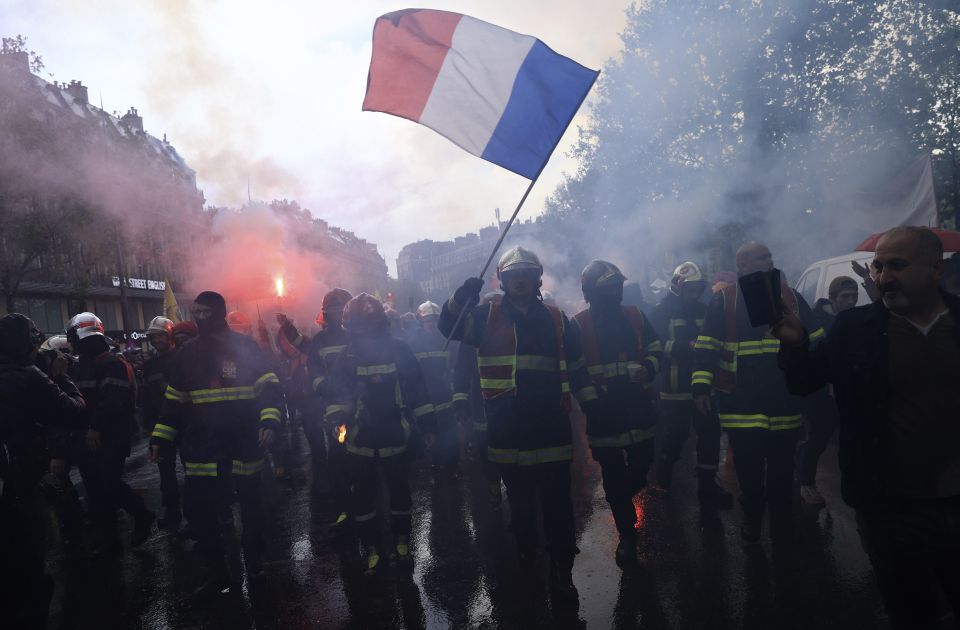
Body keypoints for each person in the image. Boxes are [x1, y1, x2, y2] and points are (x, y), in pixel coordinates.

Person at [773, 226, 960, 630]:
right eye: (878, 267)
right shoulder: (854, 328)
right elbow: (804, 381)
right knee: (911, 612)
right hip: (888, 506)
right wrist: (793, 343)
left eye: (898, 265)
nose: (883, 277)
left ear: (936, 269)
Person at [439, 246, 592, 603]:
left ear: (538, 278)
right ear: (503, 280)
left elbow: (579, 365)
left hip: (551, 426)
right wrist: (460, 298)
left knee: (558, 506)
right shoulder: (483, 316)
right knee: (521, 506)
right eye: (512, 275)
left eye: (526, 273)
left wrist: (594, 405)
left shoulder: (558, 319)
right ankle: (526, 549)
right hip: (508, 430)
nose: (519, 279)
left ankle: (562, 569)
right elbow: (448, 327)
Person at [150, 291, 281, 598]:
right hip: (203, 451)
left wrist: (270, 421)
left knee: (252, 513)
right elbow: (173, 403)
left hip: (243, 444)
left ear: (220, 313)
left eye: (206, 312)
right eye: (197, 312)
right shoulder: (186, 354)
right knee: (202, 517)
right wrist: (160, 438)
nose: (201, 317)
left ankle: (256, 566)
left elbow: (269, 388)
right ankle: (218, 574)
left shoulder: (245, 348)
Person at [692, 243, 824, 544]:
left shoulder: (789, 296)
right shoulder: (725, 299)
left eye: (769, 257)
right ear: (743, 264)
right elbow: (706, 347)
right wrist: (701, 387)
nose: (769, 261)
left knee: (780, 476)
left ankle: (782, 530)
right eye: (761, 258)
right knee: (750, 475)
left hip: (785, 403)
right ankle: (752, 518)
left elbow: (816, 340)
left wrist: (816, 384)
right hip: (742, 403)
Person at [324, 293, 437, 574]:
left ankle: (401, 544)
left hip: (394, 437)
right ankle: (372, 550)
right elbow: (337, 394)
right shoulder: (346, 356)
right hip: (360, 441)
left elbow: (417, 390)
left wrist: (428, 426)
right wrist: (337, 422)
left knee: (400, 496)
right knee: (363, 499)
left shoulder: (399, 351)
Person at [571, 260, 663, 568]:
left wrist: (649, 366)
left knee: (642, 463)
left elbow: (655, 348)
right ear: (591, 293)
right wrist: (590, 402)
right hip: (603, 412)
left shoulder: (635, 316)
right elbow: (574, 368)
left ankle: (622, 497)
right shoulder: (578, 325)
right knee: (612, 474)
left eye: (617, 288)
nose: (615, 293)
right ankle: (627, 536)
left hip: (638, 406)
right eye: (608, 289)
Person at [0, 313, 86, 628]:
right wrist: (62, 376)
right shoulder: (29, 376)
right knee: (27, 570)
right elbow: (75, 413)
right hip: (20, 487)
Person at [67, 311, 155, 554]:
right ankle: (108, 539)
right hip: (89, 436)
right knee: (95, 488)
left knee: (107, 483)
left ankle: (141, 514)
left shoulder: (111, 363)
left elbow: (112, 401)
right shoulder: (83, 364)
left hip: (111, 435)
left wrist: (95, 427)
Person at [650, 262, 732, 505]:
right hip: (675, 389)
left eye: (698, 288)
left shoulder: (706, 310)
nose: (694, 293)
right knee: (676, 435)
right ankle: (665, 466)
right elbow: (655, 347)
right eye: (690, 288)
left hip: (704, 387)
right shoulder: (661, 312)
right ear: (677, 286)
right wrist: (686, 347)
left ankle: (708, 485)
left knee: (709, 434)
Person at [278, 287, 353, 526]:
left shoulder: (359, 336)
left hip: (362, 407)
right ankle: (343, 509)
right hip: (334, 409)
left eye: (340, 311)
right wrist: (288, 328)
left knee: (364, 459)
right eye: (333, 312)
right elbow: (305, 349)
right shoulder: (320, 340)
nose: (336, 315)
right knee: (339, 458)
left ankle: (369, 507)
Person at [797, 276, 857, 506]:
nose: (851, 301)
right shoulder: (816, 321)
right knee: (819, 438)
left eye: (854, 296)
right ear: (832, 298)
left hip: (848, 390)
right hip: (821, 393)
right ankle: (806, 483)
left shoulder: (853, 318)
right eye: (845, 297)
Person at [453, 291, 503, 508]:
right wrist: (461, 402)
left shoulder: (514, 331)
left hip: (509, 405)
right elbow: (462, 372)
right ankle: (493, 486)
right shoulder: (471, 339)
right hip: (481, 405)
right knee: (485, 450)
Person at [410, 300, 460, 481]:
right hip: (426, 399)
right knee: (432, 435)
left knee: (450, 435)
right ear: (420, 322)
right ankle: (436, 466)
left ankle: (453, 467)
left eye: (433, 320)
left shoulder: (448, 342)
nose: (430, 324)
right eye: (426, 320)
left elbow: (455, 368)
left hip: (445, 395)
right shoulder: (414, 344)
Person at [142, 316, 182, 529]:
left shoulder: (182, 358)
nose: (157, 340)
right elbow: (148, 398)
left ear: (169, 336)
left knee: (193, 469)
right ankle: (172, 513)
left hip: (184, 422)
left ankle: (199, 516)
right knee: (166, 473)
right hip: (161, 425)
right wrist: (150, 429)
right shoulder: (150, 366)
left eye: (160, 335)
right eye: (153, 336)